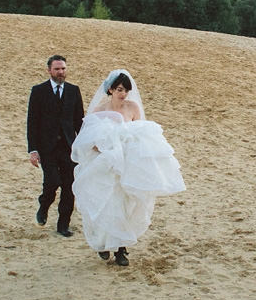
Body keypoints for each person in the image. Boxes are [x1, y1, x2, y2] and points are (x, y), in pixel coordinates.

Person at [71, 69, 184, 266]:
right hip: (105, 165)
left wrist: (126, 145)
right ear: (111, 90)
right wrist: (107, 146)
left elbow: (140, 135)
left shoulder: (132, 108)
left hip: (127, 164)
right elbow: (90, 139)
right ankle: (104, 245)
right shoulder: (99, 110)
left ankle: (122, 250)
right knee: (107, 204)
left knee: (125, 206)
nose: (123, 94)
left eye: (126, 91)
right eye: (120, 90)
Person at [27, 55, 85, 237]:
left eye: (63, 69)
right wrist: (33, 150)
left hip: (69, 148)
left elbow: (79, 122)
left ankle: (63, 225)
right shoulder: (38, 91)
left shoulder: (73, 91)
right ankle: (43, 206)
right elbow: (32, 122)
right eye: (57, 69)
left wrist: (84, 146)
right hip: (47, 148)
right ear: (49, 70)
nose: (61, 72)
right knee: (52, 182)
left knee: (69, 187)